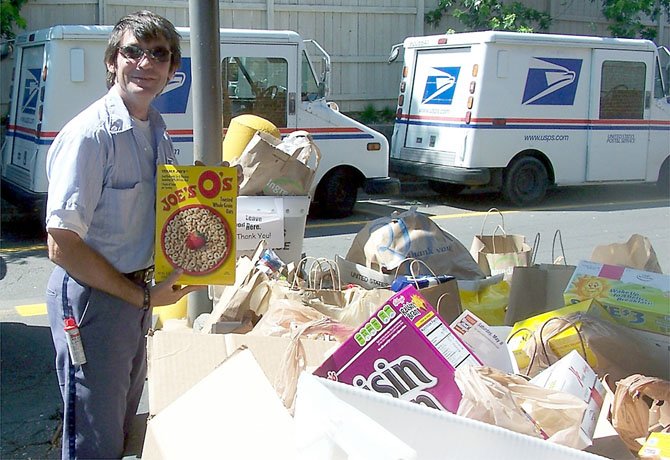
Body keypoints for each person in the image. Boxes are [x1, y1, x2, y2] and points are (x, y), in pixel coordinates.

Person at [45, 11, 201, 459]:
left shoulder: (155, 128)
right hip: (94, 297)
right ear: (113, 62)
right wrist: (144, 299)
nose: (145, 63)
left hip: (135, 291)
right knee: (94, 434)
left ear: (173, 71)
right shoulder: (92, 135)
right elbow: (61, 244)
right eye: (133, 52)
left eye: (159, 54)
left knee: (121, 417)